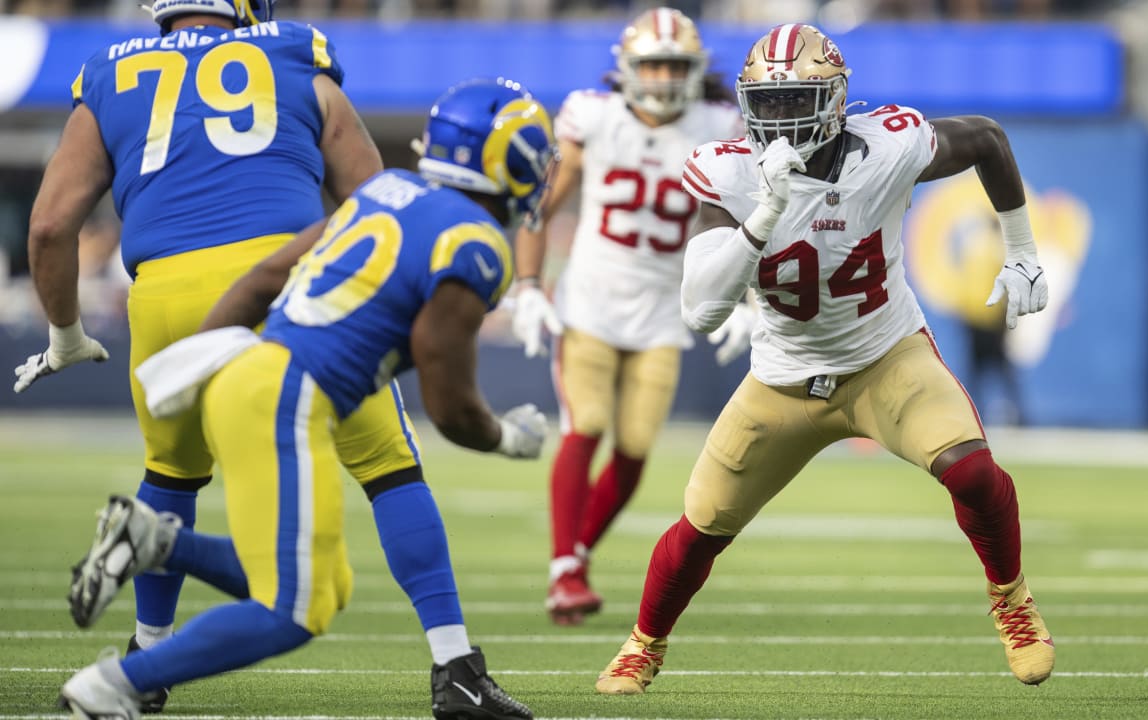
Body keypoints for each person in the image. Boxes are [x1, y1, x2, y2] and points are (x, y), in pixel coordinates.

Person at [12, 2, 526, 715]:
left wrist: (64, 334)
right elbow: (371, 194)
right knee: (390, 470)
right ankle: (454, 663)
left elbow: (47, 226)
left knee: (173, 474)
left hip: (163, 292)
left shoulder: (108, 71)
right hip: (287, 282)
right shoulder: (292, 53)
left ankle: (145, 655)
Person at [594, 23, 1055, 695]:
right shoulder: (727, 170)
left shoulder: (888, 146)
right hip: (782, 379)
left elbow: (986, 136)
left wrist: (1022, 250)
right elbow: (701, 310)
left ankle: (1013, 600)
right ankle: (643, 645)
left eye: (795, 100)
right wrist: (767, 210)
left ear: (836, 98)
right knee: (701, 527)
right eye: (767, 103)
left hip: (883, 357)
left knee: (973, 472)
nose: (778, 119)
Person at [509, 6, 749, 626]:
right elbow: (538, 205)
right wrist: (530, 283)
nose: (666, 77)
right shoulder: (594, 116)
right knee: (585, 425)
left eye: (676, 65)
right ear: (628, 69)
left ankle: (578, 556)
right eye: (654, 64)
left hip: (665, 313)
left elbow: (751, 220)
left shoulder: (719, 123)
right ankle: (566, 569)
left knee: (636, 446)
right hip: (590, 300)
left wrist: (746, 299)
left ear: (694, 70)